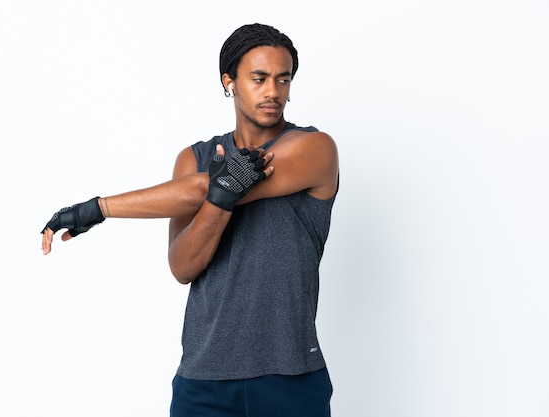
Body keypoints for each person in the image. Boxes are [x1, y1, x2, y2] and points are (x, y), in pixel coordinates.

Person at [41, 23, 339, 417]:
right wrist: (222, 196)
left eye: (283, 79)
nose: (273, 91)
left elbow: (205, 186)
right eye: (259, 78)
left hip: (290, 376)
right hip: (203, 380)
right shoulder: (193, 158)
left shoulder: (314, 149)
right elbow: (183, 267)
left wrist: (97, 209)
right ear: (229, 81)